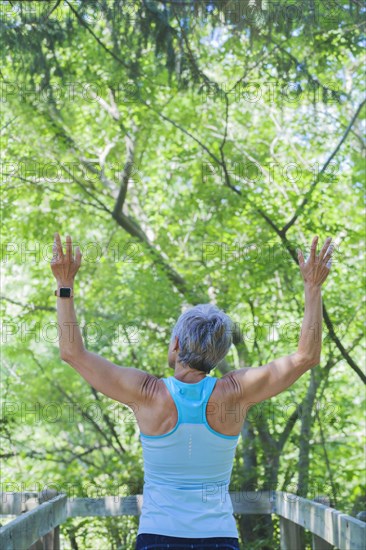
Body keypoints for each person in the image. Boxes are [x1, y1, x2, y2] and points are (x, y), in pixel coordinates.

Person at [51, 233, 333, 550]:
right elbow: (306, 356)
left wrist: (65, 285)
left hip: (157, 538)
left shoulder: (147, 393)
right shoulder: (235, 392)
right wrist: (313, 286)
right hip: (219, 539)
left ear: (175, 345)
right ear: (220, 354)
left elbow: (72, 353)